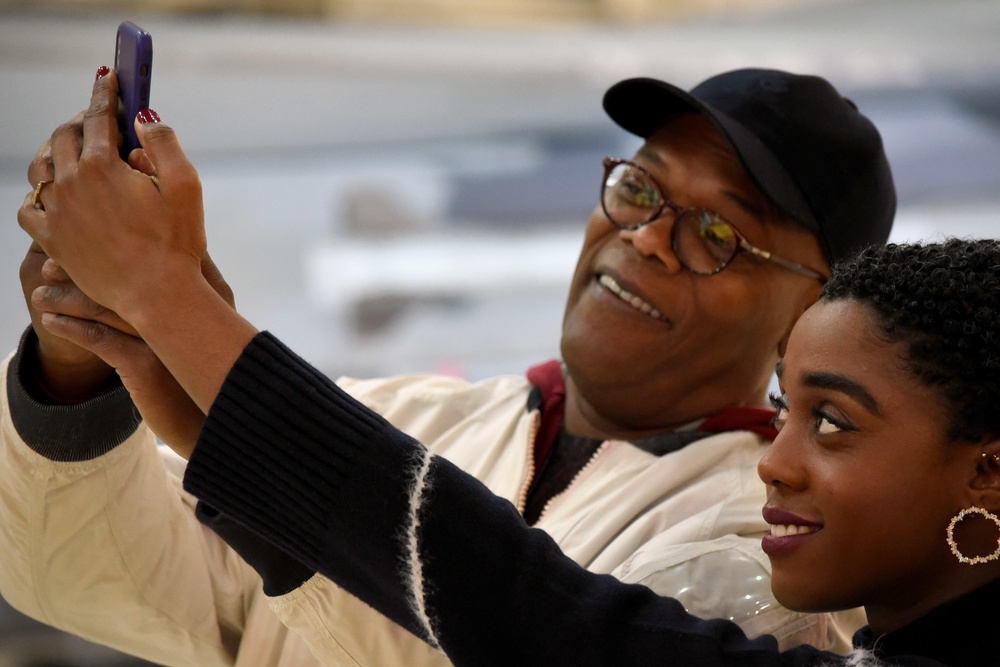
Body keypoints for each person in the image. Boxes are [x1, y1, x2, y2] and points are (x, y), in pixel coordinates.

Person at [3, 64, 893, 665]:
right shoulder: (414, 412)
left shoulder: (770, 551)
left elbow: (494, 626)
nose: (647, 238)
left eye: (717, 234)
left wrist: (176, 305)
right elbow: (95, 579)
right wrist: (81, 358)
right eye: (641, 188)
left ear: (813, 314)